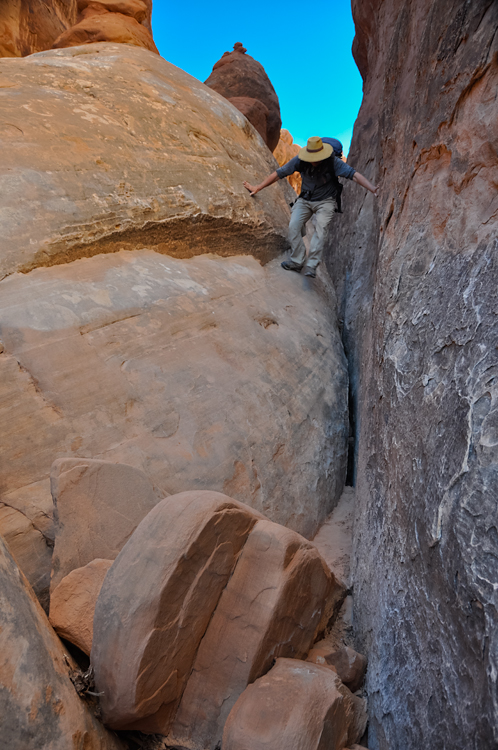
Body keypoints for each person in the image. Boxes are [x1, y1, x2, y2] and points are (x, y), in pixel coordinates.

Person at [243, 136, 379, 278]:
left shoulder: (333, 162)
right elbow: (279, 173)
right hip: (305, 199)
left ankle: (312, 265)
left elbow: (355, 175)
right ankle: (297, 261)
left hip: (326, 201)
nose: (314, 160)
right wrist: (258, 187)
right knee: (294, 226)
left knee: (321, 230)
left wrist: (373, 189)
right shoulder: (300, 160)